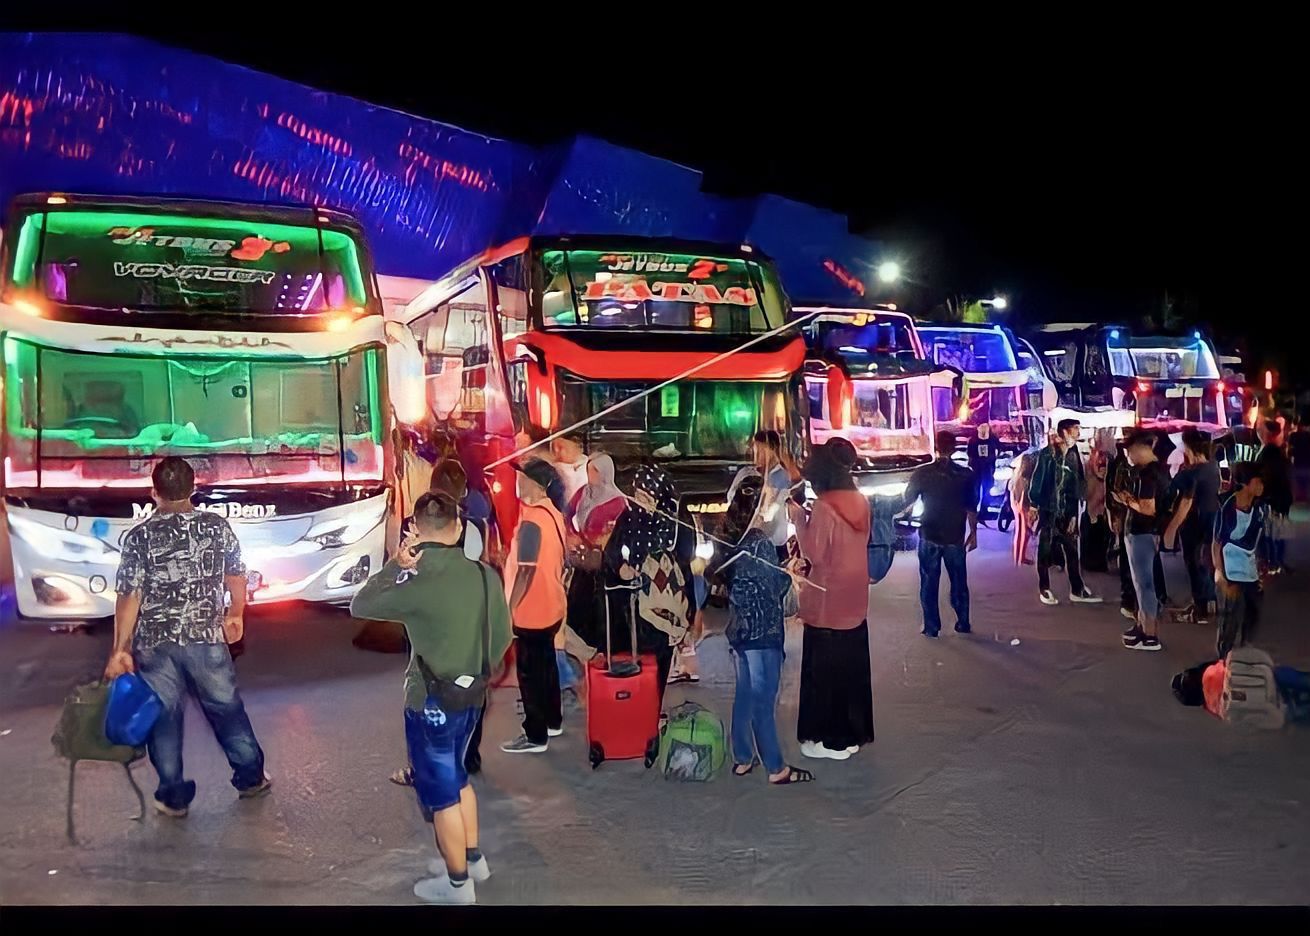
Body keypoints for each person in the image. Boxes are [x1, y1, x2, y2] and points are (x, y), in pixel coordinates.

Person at [351, 492, 512, 905]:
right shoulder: (484, 575)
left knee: (441, 797)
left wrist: (396, 564)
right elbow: (503, 638)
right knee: (458, 778)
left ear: (417, 531)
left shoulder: (416, 582)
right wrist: (475, 671)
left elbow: (360, 604)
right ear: (459, 528)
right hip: (473, 694)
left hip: (430, 702)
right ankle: (473, 859)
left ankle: (459, 885)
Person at [102, 456, 269, 818]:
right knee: (226, 710)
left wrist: (120, 649)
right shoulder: (215, 527)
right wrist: (236, 612)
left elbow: (130, 595)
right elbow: (236, 573)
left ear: (153, 492)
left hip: (156, 644)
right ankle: (251, 777)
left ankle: (173, 796)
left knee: (163, 717)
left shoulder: (139, 537)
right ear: (194, 489)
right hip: (207, 638)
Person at [715, 477, 813, 785]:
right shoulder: (757, 541)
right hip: (762, 632)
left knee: (745, 695)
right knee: (763, 700)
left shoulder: (731, 536)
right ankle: (776, 767)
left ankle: (743, 757)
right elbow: (773, 588)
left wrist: (778, 570)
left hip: (740, 630)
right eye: (768, 499)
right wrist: (789, 574)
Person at [787, 439, 874, 761]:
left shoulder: (823, 506)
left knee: (824, 674)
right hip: (854, 598)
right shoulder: (861, 501)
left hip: (827, 602)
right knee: (850, 671)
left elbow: (815, 554)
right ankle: (849, 736)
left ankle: (828, 740)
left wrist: (798, 519)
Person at [603, 464, 694, 705]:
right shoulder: (630, 516)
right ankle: (644, 712)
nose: (641, 501)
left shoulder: (677, 519)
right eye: (638, 494)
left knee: (661, 659)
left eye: (646, 496)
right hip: (634, 604)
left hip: (668, 603)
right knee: (641, 661)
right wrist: (621, 566)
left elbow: (686, 557)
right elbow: (612, 551)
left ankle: (652, 710)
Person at [500, 458, 569, 755]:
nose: (518, 481)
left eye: (523, 478)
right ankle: (553, 721)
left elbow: (526, 570)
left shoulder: (531, 522)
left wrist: (509, 608)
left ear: (538, 487)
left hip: (532, 610)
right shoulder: (552, 513)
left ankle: (535, 734)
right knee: (547, 667)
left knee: (529, 674)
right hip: (552, 604)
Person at [903, 429, 978, 638]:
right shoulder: (966, 474)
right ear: (954, 448)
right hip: (955, 534)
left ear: (935, 447)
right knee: (959, 582)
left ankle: (931, 626)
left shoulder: (922, 473)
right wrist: (973, 533)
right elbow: (971, 507)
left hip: (929, 532)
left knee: (928, 581)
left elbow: (908, 501)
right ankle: (963, 622)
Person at [562, 453, 626, 681]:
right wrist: (572, 535)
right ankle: (584, 656)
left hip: (601, 567)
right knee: (576, 609)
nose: (591, 476)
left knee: (596, 610)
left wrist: (595, 543)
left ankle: (598, 655)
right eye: (590, 470)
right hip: (582, 563)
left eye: (595, 471)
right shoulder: (583, 493)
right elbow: (567, 514)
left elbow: (614, 534)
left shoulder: (617, 502)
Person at [1027, 418, 1101, 606]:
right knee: (1045, 550)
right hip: (1049, 510)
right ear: (1065, 432)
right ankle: (1044, 588)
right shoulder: (1048, 454)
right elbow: (1038, 480)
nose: (1078, 431)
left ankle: (1077, 589)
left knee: (1072, 550)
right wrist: (1034, 505)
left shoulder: (1074, 453)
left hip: (1068, 510)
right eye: (1075, 428)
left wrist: (1074, 513)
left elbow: (1076, 484)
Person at [1115, 431, 1171, 651]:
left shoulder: (1149, 474)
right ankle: (1142, 626)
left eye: (1131, 449)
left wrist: (1127, 500)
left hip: (1142, 532)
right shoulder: (1161, 471)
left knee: (1144, 584)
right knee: (1143, 583)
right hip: (1149, 532)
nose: (1129, 454)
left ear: (1143, 447)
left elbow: (1148, 508)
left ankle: (1149, 634)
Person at [1165, 428, 1221, 625]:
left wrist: (1171, 528)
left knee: (1194, 564)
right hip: (1211, 519)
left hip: (1193, 523)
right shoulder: (1213, 468)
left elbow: (1185, 501)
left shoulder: (1190, 473)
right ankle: (1208, 602)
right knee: (1207, 562)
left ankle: (1200, 609)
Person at [1213, 462, 1268, 658]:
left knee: (1251, 620)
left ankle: (1244, 663)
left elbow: (1261, 542)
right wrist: (1219, 573)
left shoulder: (1260, 509)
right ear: (1245, 483)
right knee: (1229, 622)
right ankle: (1222, 665)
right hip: (1230, 572)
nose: (1261, 485)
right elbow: (1217, 543)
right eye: (1258, 481)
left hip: (1251, 574)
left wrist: (1262, 572)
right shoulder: (1226, 506)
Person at [1255, 419, 1293, 575]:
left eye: (1261, 430)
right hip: (1279, 498)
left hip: (1272, 498)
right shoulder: (1276, 451)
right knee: (1277, 531)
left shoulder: (1270, 452)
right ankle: (1276, 561)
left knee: (1270, 531)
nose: (1258, 432)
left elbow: (1269, 476)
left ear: (1268, 434)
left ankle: (1272, 563)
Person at [1080, 428, 1117, 574]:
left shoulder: (1103, 459)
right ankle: (1092, 562)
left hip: (1099, 507)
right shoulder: (1092, 461)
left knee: (1099, 535)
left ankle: (1096, 562)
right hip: (1093, 507)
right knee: (1094, 534)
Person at [1010, 445, 1040, 566]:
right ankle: (1019, 557)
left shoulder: (1017, 476)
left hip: (1017, 505)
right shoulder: (1025, 480)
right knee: (1023, 532)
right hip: (1023, 506)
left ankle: (1020, 556)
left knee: (1022, 531)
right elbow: (1024, 496)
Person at [967, 422, 998, 525]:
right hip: (978, 469)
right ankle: (975, 511)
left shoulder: (992, 439)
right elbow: (970, 454)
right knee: (977, 490)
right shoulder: (973, 440)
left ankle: (984, 510)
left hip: (987, 469)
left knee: (986, 489)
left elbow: (998, 448)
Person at [551, 431, 590, 505]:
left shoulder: (591, 466)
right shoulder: (554, 470)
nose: (556, 451)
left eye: (560, 447)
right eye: (554, 448)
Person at [1288, 415, 1310, 503]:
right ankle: (1305, 498)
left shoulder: (1293, 435)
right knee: (1306, 482)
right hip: (1308, 464)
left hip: (1297, 463)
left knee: (1298, 482)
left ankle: (1299, 498)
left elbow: (1290, 451)